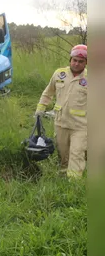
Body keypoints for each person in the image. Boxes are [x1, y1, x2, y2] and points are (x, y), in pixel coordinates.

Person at [36, 44, 88, 178]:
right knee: (63, 156)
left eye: (80, 61)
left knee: (76, 154)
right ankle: (63, 182)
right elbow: (48, 93)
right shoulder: (60, 74)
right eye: (74, 60)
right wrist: (40, 109)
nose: (76, 64)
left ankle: (74, 187)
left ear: (86, 63)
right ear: (70, 59)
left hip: (81, 126)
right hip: (60, 123)